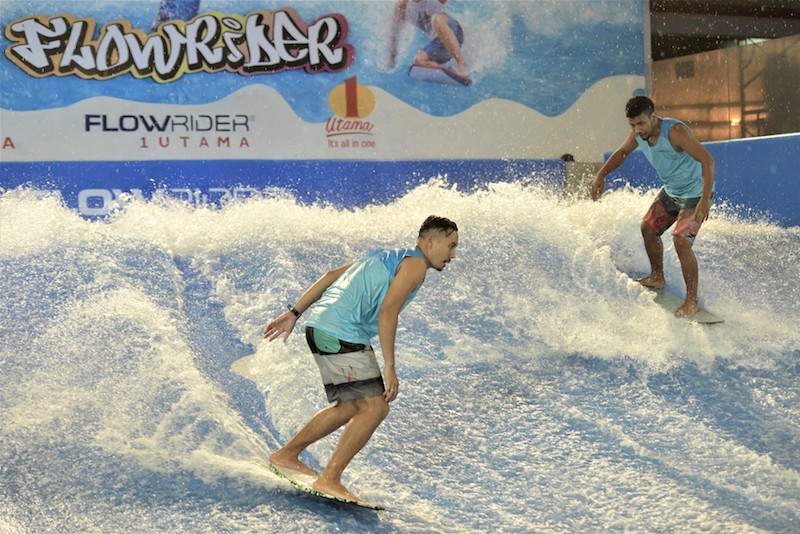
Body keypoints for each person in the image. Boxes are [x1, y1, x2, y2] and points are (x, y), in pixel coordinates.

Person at [262, 216, 459, 503]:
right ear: (431, 241)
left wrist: (294, 314)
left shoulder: (384, 256)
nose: (453, 255)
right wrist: (390, 367)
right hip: (341, 331)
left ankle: (286, 454)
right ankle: (329, 479)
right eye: (451, 246)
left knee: (352, 405)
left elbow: (331, 276)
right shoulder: (415, 266)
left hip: (320, 326)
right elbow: (388, 311)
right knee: (375, 408)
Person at [591, 95, 715, 317]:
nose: (637, 129)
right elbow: (622, 153)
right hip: (673, 190)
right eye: (632, 125)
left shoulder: (674, 132)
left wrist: (705, 199)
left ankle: (692, 301)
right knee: (648, 228)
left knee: (681, 242)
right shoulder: (639, 135)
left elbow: (707, 160)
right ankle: (657, 276)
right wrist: (602, 174)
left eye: (641, 123)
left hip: (695, 194)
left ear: (653, 116)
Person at [388, 0, 470, 79]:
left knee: (436, 19)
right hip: (440, 47)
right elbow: (395, 34)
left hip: (455, 33)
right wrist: (392, 60)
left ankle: (462, 64)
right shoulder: (402, 7)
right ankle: (450, 71)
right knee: (418, 62)